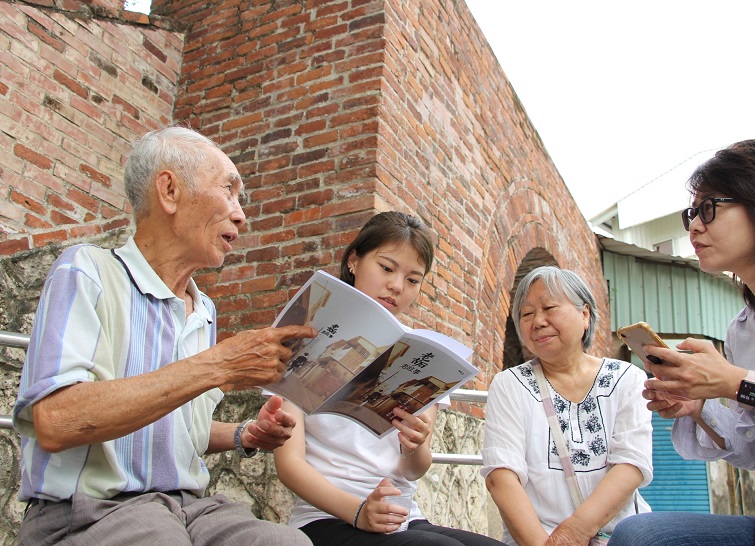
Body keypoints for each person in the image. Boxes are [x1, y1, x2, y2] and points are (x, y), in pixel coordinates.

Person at [12, 127, 317, 545]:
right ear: (169, 190)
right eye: (228, 189)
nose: (241, 213)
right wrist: (219, 365)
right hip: (88, 510)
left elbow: (173, 427)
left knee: (290, 543)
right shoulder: (87, 271)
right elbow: (55, 420)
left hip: (186, 507)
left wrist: (243, 433)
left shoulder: (203, 309)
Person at [608, 139, 755, 546]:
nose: (693, 226)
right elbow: (754, 450)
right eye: (692, 212)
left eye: (709, 208)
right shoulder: (741, 329)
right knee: (639, 535)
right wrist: (699, 407)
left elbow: (747, 389)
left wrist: (736, 382)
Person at [273, 211, 505, 546]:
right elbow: (289, 464)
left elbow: (413, 470)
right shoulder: (304, 336)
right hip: (327, 517)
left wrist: (417, 444)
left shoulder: (424, 352)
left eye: (413, 280)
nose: (397, 286)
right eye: (386, 268)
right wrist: (358, 512)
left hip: (403, 518)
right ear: (354, 260)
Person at [481, 266, 653, 546]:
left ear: (584, 314)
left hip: (622, 537)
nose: (537, 321)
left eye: (549, 307)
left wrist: (574, 532)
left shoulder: (627, 378)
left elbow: (631, 464)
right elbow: (502, 476)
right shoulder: (509, 384)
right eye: (526, 314)